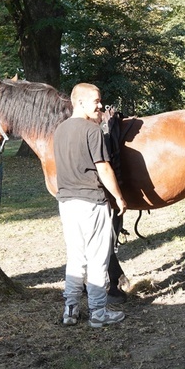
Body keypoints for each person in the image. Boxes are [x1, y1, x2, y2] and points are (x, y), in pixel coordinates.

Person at [55, 83, 128, 328]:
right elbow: (103, 167)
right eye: (96, 101)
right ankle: (98, 312)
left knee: (76, 258)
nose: (100, 105)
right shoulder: (92, 130)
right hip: (91, 202)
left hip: (66, 203)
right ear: (80, 103)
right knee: (97, 258)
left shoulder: (59, 131)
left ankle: (70, 310)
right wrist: (118, 196)